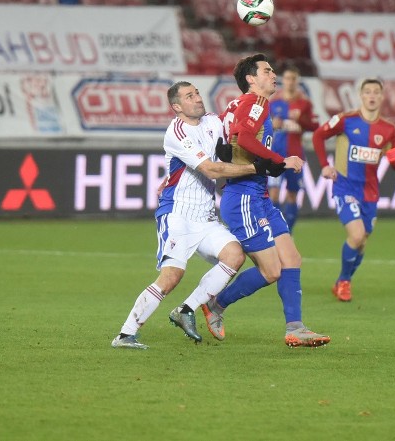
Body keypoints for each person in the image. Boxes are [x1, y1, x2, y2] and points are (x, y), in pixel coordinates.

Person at [111, 81, 284, 350]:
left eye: (197, 93)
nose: (197, 98)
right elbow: (212, 170)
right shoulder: (177, 132)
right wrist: (255, 167)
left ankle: (187, 309)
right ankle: (125, 334)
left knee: (234, 255)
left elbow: (237, 133)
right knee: (171, 277)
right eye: (189, 96)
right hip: (178, 215)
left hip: (205, 216)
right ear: (177, 107)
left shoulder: (213, 122)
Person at [202, 53, 330, 348]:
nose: (273, 75)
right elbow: (244, 138)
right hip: (244, 197)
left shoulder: (236, 105)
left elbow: (223, 142)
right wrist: (280, 161)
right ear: (251, 79)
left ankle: (296, 327)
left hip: (257, 196)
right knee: (272, 270)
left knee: (292, 259)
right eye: (267, 71)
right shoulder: (257, 102)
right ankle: (216, 305)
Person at [311, 78, 395, 302]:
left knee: (362, 241)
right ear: (361, 96)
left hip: (370, 193)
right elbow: (318, 135)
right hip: (345, 187)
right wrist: (325, 165)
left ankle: (342, 281)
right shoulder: (346, 120)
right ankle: (345, 282)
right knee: (355, 235)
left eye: (376, 92)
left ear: (382, 97)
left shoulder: (388, 130)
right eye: (368, 92)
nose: (372, 95)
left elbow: (394, 158)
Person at [268, 64, 318, 230]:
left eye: (293, 79)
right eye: (287, 78)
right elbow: (263, 126)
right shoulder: (274, 103)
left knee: (292, 194)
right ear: (283, 81)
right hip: (276, 155)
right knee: (273, 192)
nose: (290, 82)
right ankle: (275, 232)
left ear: (298, 81)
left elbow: (313, 126)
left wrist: (300, 120)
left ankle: (288, 232)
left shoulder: (304, 104)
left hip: (295, 154)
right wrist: (272, 124)